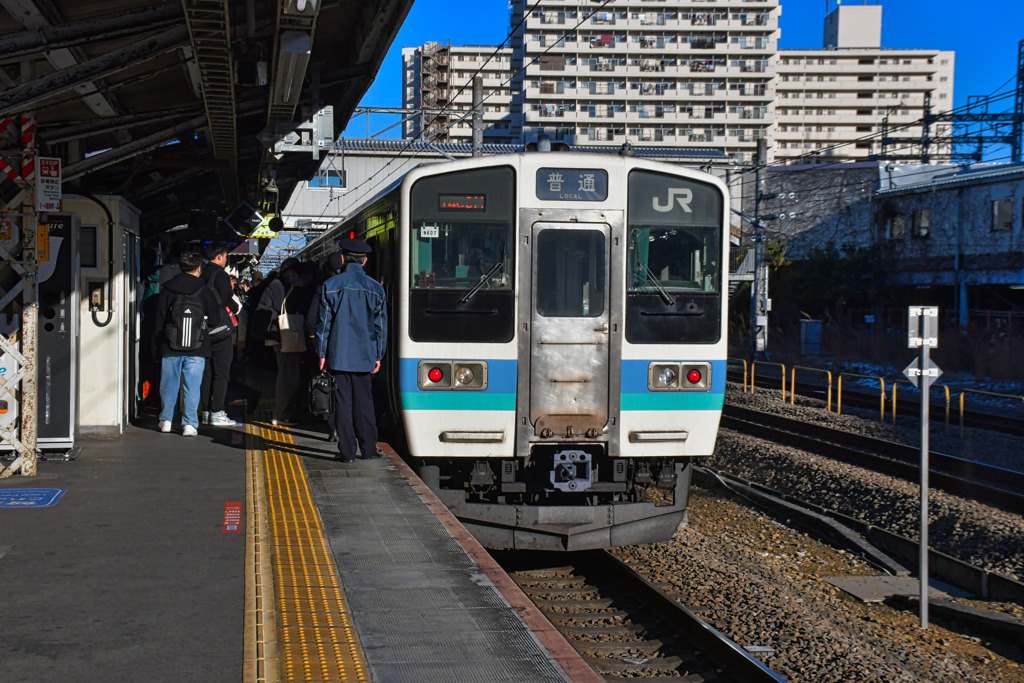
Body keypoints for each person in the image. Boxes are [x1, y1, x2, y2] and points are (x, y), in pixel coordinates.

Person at [315, 239, 387, 463]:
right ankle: (368, 449)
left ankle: (347, 452)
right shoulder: (376, 289)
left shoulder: (331, 285)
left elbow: (323, 325)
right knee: (365, 403)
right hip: (365, 355)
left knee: (342, 404)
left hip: (338, 355)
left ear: (343, 259)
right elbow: (380, 326)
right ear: (364, 261)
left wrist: (322, 353)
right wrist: (378, 355)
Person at [150, 251, 221, 436]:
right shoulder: (205, 290)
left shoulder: (168, 289)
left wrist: (156, 346)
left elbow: (159, 320)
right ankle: (189, 424)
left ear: (181, 268)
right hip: (198, 346)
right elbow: (215, 319)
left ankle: (166, 420)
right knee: (192, 386)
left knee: (169, 384)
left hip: (170, 344)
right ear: (198, 269)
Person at [305, 251, 346, 442]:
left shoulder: (323, 288)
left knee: (329, 386)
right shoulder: (358, 286)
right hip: (349, 347)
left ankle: (333, 428)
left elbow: (311, 320)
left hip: (329, 346)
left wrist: (315, 342)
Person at [200, 243, 241, 427]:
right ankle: (217, 412)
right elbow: (226, 299)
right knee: (222, 373)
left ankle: (206, 411)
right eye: (225, 257)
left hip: (204, 329)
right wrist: (235, 308)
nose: (226, 260)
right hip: (220, 330)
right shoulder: (221, 275)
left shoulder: (202, 273)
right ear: (219, 257)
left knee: (207, 373)